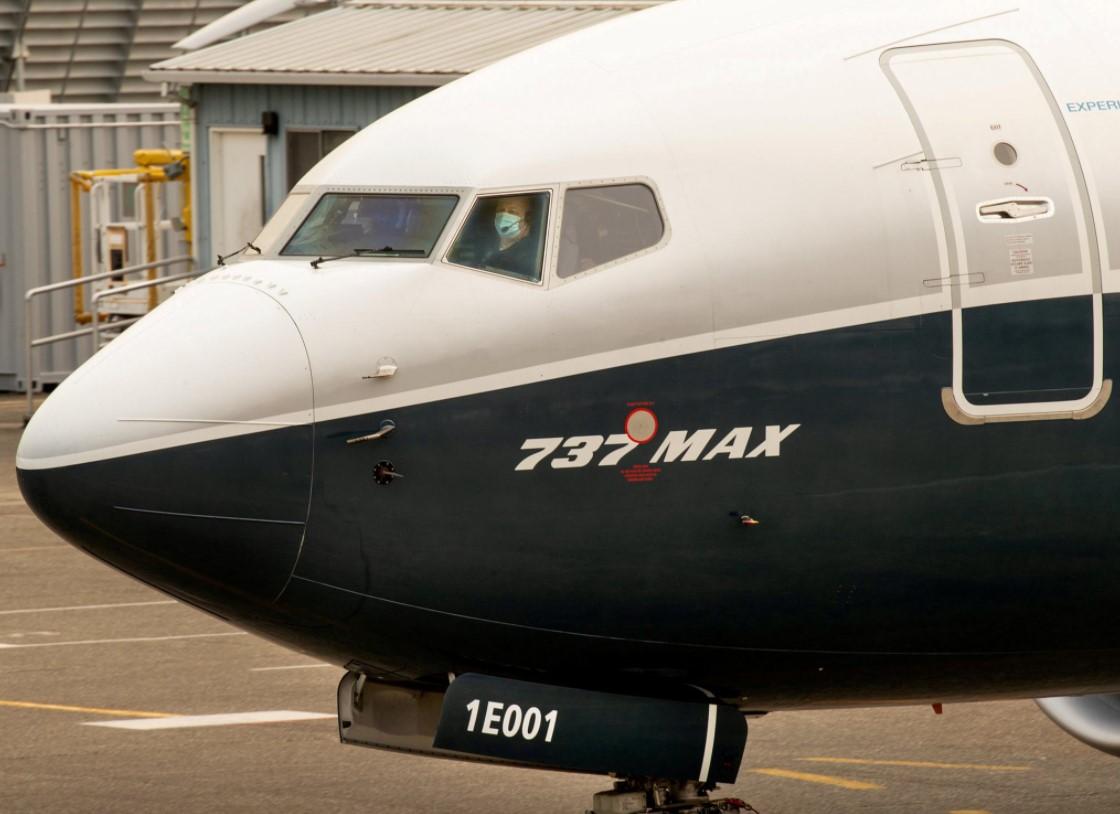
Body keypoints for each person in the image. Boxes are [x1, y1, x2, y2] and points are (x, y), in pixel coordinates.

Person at [482, 195, 539, 280]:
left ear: (528, 219)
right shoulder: (486, 243)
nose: (503, 215)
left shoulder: (529, 257)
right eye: (500, 210)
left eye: (512, 212)